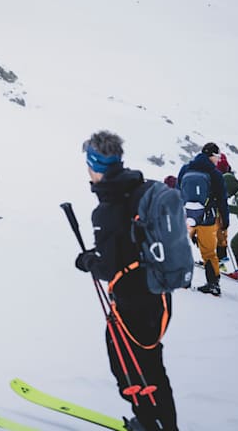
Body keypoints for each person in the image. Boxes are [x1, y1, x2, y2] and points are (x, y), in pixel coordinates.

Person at [74, 131, 178, 431]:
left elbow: (107, 267)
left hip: (134, 303)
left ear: (96, 166)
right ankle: (161, 424)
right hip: (158, 297)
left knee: (129, 367)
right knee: (152, 365)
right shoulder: (143, 190)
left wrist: (87, 261)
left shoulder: (107, 211)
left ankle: (149, 423)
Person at [177, 142, 229, 296]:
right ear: (211, 156)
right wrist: (225, 221)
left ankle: (182, 280)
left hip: (188, 218)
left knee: (182, 248)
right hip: (207, 219)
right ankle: (213, 284)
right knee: (209, 253)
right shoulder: (215, 174)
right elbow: (222, 200)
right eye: (217, 157)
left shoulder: (185, 169)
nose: (218, 160)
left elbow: (178, 192)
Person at [214, 154, 232, 270]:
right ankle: (221, 260)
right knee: (221, 232)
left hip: (215, 204)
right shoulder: (227, 171)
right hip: (222, 205)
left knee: (213, 230)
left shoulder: (216, 170)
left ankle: (216, 261)